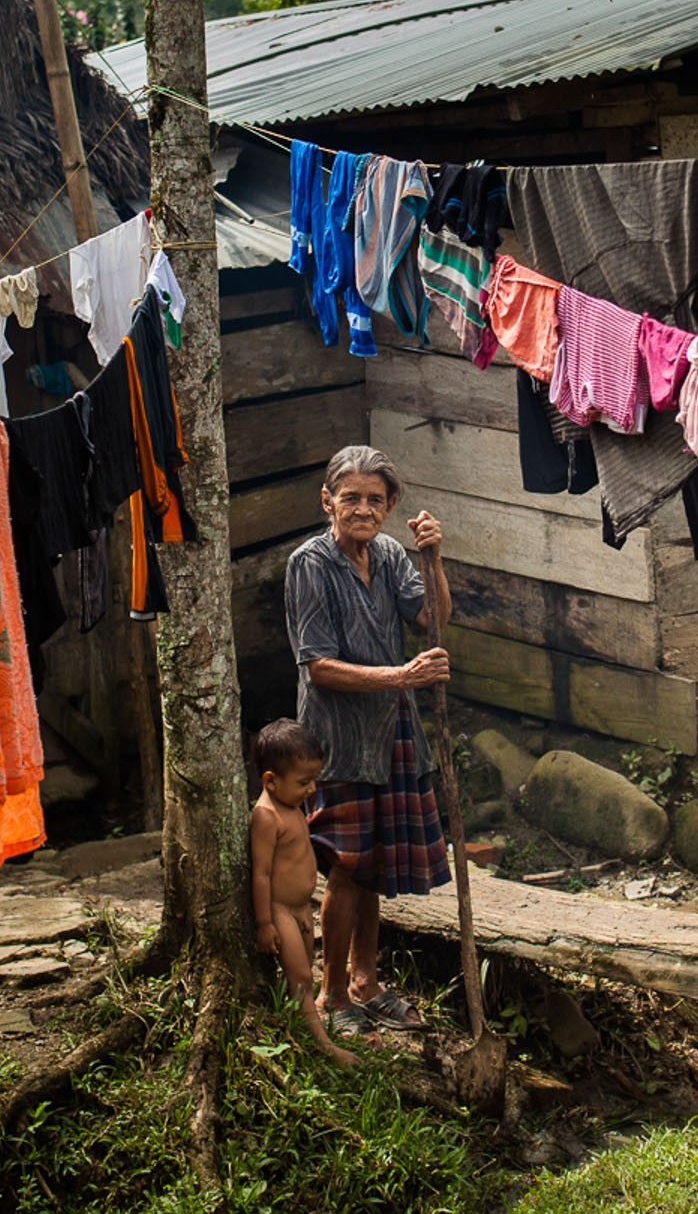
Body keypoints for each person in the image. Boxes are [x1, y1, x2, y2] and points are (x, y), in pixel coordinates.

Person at [284, 444, 453, 1038]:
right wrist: (401, 677)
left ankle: (366, 983)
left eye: (374, 500)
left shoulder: (387, 554)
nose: (362, 509)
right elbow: (318, 665)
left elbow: (431, 619)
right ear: (326, 500)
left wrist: (432, 558)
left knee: (375, 865)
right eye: (350, 497)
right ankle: (333, 996)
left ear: (390, 508)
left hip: (392, 731)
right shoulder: (310, 563)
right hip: (339, 738)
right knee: (348, 868)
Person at [249, 718, 356, 1066]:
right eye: (304, 782)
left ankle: (301, 1029)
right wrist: (265, 923)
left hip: (300, 909)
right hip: (280, 910)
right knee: (301, 977)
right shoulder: (267, 817)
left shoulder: (290, 805)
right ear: (270, 780)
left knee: (305, 973)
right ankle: (324, 1047)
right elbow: (262, 874)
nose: (312, 790)